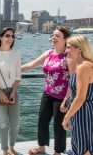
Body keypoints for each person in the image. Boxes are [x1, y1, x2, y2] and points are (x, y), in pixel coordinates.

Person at [21, 26, 71, 155]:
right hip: (48, 93)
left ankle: (58, 152)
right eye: (53, 35)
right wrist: (15, 69)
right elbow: (31, 65)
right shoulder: (48, 53)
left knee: (58, 124)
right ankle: (41, 147)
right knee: (42, 120)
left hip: (62, 96)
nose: (53, 38)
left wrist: (66, 99)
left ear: (65, 39)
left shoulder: (68, 56)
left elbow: (73, 79)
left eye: (57, 36)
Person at [0, 27, 21, 155]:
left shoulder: (16, 53)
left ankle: (12, 147)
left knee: (16, 123)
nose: (10, 39)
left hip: (12, 91)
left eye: (12, 36)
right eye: (7, 36)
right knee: (3, 124)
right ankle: (5, 150)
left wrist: (13, 91)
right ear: (0, 37)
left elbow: (18, 76)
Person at [62, 35, 93, 155]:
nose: (66, 51)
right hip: (84, 112)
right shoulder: (87, 65)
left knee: (83, 148)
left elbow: (80, 98)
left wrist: (66, 117)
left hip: (82, 113)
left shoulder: (83, 68)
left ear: (80, 49)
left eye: (69, 47)